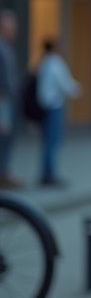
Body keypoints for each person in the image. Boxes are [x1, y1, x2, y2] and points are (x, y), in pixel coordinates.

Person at [36, 39, 81, 187]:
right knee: (52, 142)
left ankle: (46, 173)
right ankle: (50, 175)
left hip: (44, 105)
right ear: (55, 48)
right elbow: (65, 84)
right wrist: (78, 90)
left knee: (46, 141)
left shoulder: (43, 62)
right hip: (53, 105)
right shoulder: (55, 62)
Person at [0, 12, 21, 188]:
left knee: (7, 138)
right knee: (4, 137)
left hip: (7, 100)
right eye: (11, 28)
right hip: (3, 101)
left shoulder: (6, 47)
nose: (14, 31)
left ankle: (5, 172)